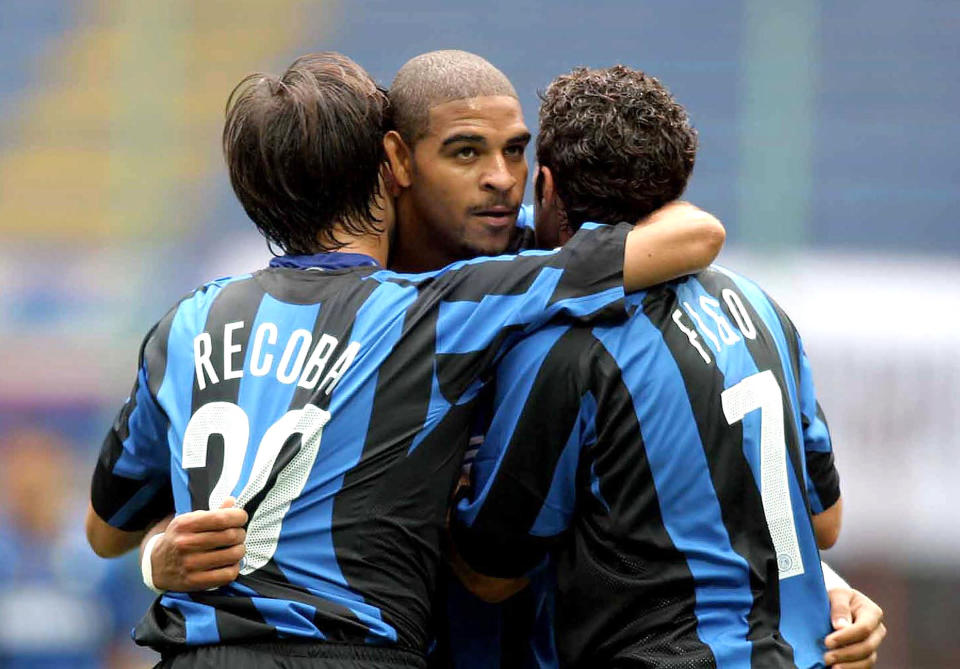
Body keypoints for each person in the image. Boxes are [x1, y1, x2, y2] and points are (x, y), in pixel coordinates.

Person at [137, 51, 886, 669]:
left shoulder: (553, 271)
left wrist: (813, 586)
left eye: (517, 151)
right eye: (466, 152)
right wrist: (159, 556)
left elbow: (682, 485)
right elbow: (236, 497)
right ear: (397, 163)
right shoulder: (361, 309)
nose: (501, 176)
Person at [451, 65, 883, 668]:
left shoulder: (564, 346)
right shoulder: (760, 307)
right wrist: (828, 587)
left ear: (546, 187)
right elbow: (826, 522)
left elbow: (492, 576)